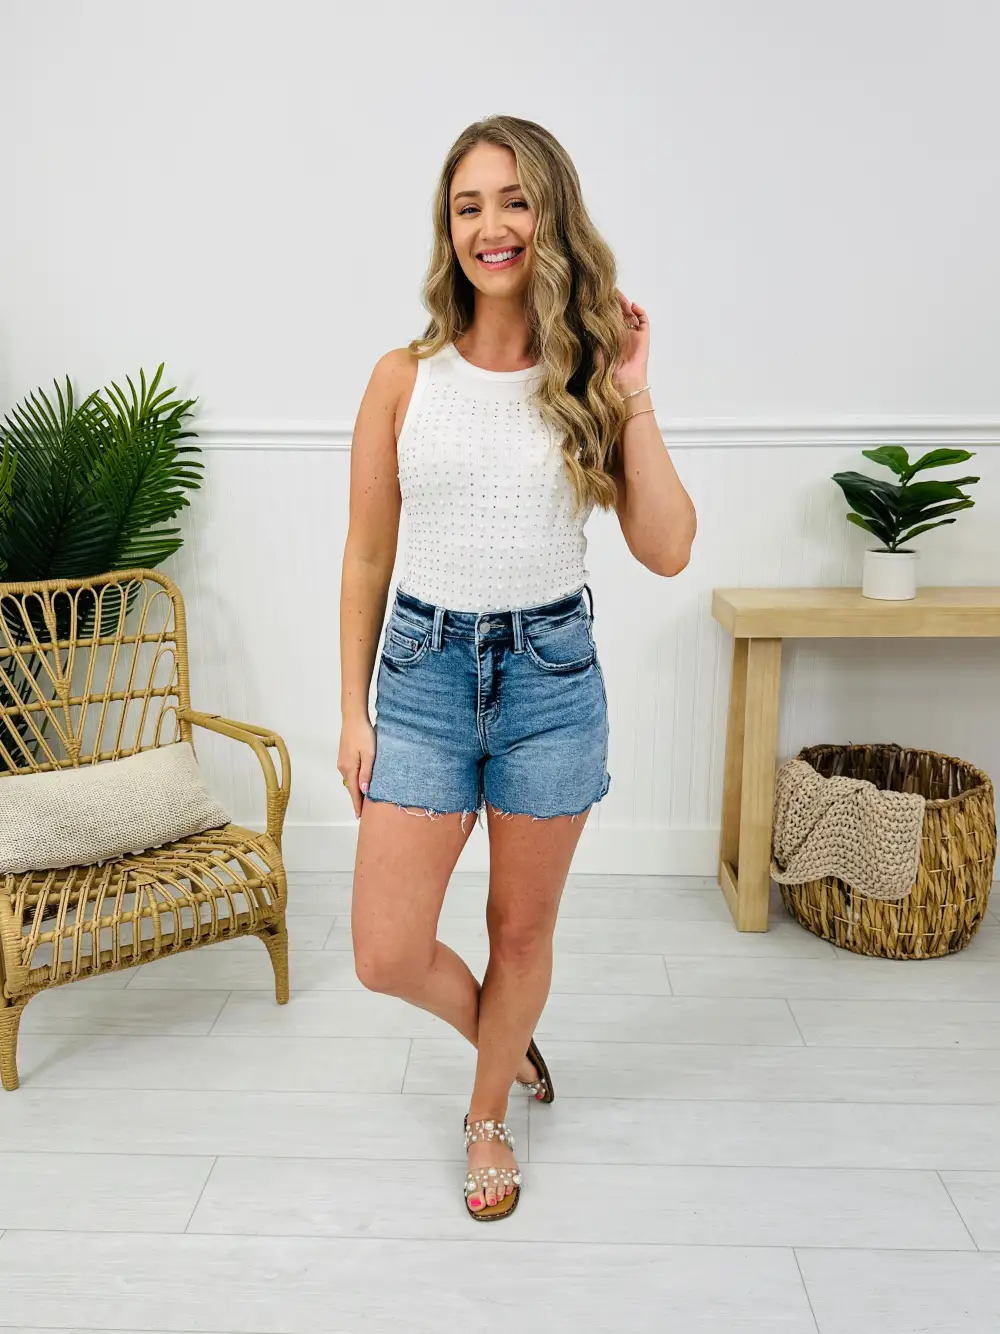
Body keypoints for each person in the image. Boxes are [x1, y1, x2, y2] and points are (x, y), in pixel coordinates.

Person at [338, 115, 696, 1222]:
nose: (490, 226)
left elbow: (668, 547)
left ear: (550, 215)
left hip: (549, 680)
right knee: (385, 951)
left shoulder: (587, 377)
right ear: (447, 231)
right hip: (422, 676)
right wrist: (352, 710)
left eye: (513, 200)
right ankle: (505, 1034)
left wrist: (633, 383)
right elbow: (366, 555)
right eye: (467, 206)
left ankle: (488, 1110)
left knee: (519, 932)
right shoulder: (403, 378)